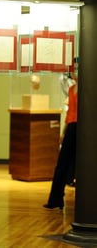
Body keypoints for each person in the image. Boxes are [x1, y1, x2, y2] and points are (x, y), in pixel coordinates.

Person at [43, 71, 78, 210]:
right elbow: (70, 113)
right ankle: (56, 199)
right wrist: (63, 132)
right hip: (71, 127)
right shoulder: (71, 89)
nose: (75, 73)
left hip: (83, 128)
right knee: (62, 163)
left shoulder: (88, 89)